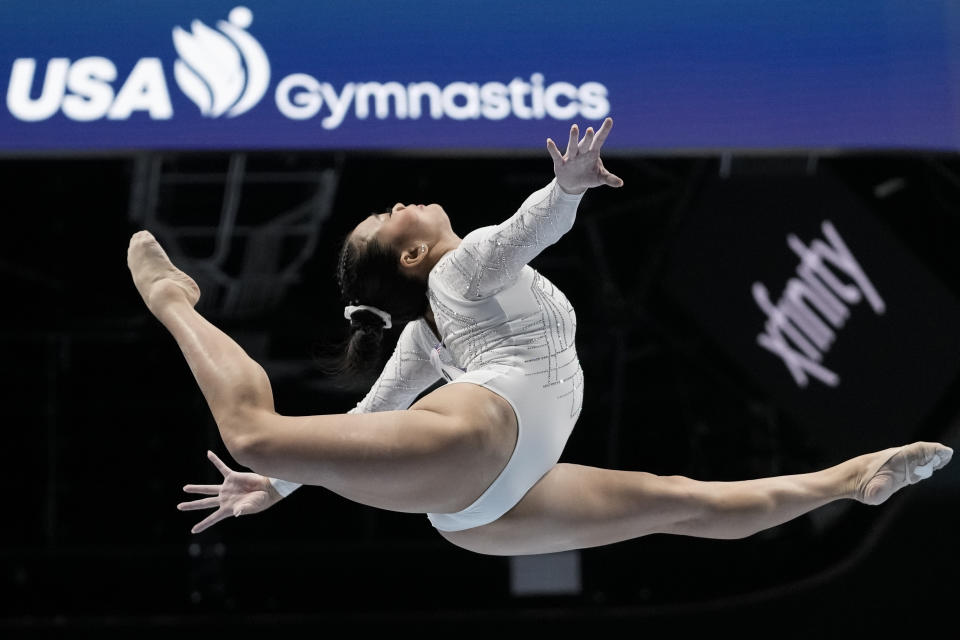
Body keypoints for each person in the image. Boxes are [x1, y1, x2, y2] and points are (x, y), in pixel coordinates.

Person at [127, 118, 952, 556]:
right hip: (491, 458)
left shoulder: (432, 334)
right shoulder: (458, 272)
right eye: (385, 220)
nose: (395, 203)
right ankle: (175, 301)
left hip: (490, 501)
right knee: (254, 435)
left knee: (682, 502)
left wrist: (281, 489)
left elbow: (363, 424)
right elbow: (523, 233)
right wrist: (567, 189)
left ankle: (850, 480)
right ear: (413, 254)